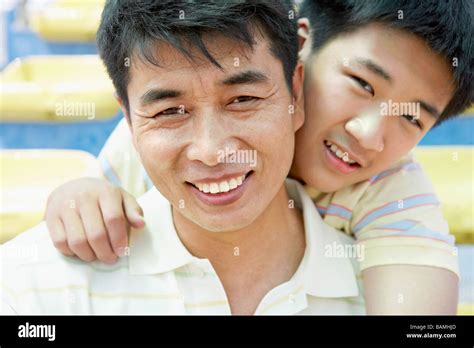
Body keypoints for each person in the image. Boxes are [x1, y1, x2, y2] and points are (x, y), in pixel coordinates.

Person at [44, 0, 473, 314]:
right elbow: (98, 198)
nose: (369, 134)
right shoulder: (173, 131)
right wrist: (78, 197)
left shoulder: (390, 189)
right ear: (301, 49)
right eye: (362, 84)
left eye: (412, 119)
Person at [1, 0, 365, 315]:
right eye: (170, 111)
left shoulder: (389, 287)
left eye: (243, 100)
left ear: (295, 95)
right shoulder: (30, 289)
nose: (210, 151)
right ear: (128, 120)